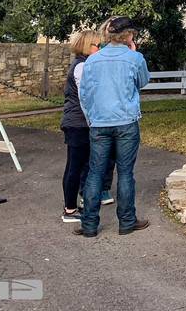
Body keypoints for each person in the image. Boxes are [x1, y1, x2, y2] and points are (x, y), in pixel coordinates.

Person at [75, 16, 151, 237]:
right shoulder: (134, 58)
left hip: (99, 122)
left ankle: (89, 224)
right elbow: (142, 81)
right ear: (128, 35)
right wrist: (133, 52)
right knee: (125, 172)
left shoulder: (92, 60)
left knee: (95, 173)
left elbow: (85, 94)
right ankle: (127, 221)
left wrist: (91, 118)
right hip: (126, 121)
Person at [59, 29, 117, 222]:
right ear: (88, 46)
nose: (100, 48)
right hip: (79, 124)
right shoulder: (81, 67)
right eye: (97, 45)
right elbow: (87, 97)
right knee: (75, 167)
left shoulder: (85, 64)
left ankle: (81, 201)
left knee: (82, 165)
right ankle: (69, 209)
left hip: (80, 122)